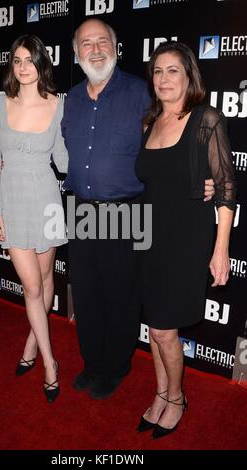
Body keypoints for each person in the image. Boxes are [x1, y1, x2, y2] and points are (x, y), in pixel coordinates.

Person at [61, 19, 214, 400]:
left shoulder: (140, 94)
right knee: (88, 292)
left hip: (126, 210)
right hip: (81, 210)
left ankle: (115, 367)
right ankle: (92, 362)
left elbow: (171, 144)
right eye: (86, 44)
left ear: (116, 48)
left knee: (121, 294)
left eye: (102, 42)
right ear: (76, 53)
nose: (95, 50)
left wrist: (202, 181)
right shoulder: (72, 99)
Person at [135, 41, 236, 438]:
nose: (164, 79)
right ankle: (161, 392)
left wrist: (221, 248)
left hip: (186, 239)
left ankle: (176, 397)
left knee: (162, 330)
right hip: (148, 238)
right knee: (156, 325)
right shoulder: (150, 122)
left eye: (172, 70)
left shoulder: (205, 119)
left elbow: (226, 186)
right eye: (157, 71)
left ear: (189, 74)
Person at [0, 34, 68, 404]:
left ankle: (33, 343)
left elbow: (64, 160)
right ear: (12, 67)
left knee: (47, 278)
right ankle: (51, 364)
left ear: (41, 64)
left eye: (29, 60)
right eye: (17, 60)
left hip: (47, 200)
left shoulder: (59, 104)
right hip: (14, 203)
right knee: (32, 287)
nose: (23, 67)